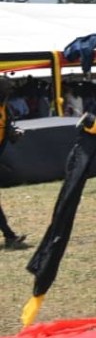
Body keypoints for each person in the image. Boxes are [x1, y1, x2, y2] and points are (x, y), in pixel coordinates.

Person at [0, 77, 28, 249]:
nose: (9, 93)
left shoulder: (6, 109)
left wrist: (15, 133)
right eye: (6, 90)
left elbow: (8, 132)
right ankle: (9, 236)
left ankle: (9, 235)